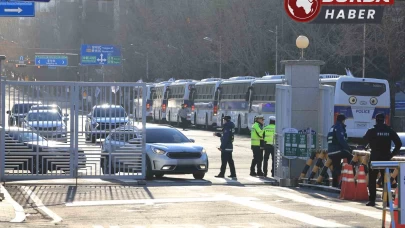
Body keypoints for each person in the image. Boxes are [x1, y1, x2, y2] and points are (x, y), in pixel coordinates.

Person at [363, 113, 402, 207]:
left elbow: (363, 141)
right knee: (386, 180)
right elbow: (399, 143)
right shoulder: (389, 131)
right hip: (386, 159)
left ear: (376, 120)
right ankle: (388, 201)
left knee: (372, 180)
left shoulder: (372, 131)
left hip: (374, 158)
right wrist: (391, 154)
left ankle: (372, 200)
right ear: (384, 120)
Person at [326, 114, 353, 188]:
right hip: (338, 150)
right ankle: (349, 175)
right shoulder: (339, 127)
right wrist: (349, 148)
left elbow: (328, 138)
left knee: (336, 166)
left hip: (331, 151)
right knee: (351, 156)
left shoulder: (332, 127)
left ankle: (335, 185)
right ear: (343, 120)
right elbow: (341, 140)